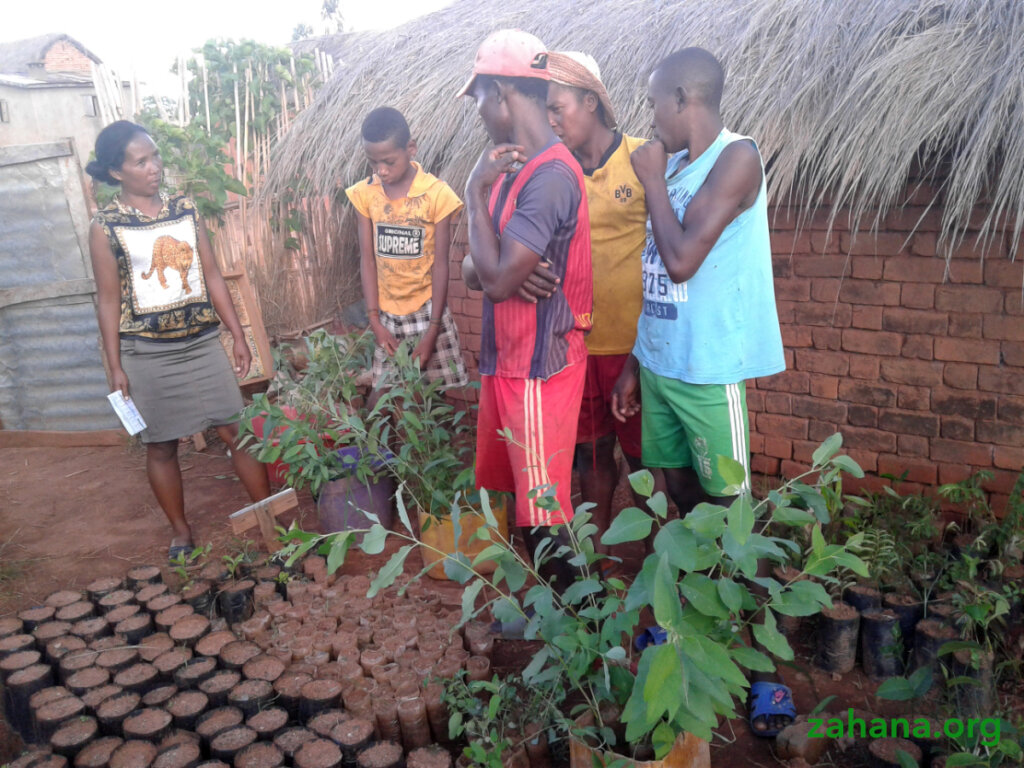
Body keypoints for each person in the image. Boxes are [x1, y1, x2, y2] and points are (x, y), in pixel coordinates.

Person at [609, 48, 790, 736]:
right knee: (677, 501)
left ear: (685, 96)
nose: (650, 120)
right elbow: (661, 274)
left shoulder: (735, 159)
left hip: (708, 373)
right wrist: (633, 360)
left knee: (732, 516)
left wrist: (652, 180)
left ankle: (766, 670)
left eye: (655, 103)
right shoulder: (680, 169)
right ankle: (691, 634)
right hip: (659, 365)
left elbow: (685, 255)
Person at [86, 120, 270, 560]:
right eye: (141, 161)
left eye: (155, 156)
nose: (154, 167)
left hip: (201, 342)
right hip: (146, 353)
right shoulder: (106, 226)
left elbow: (210, 275)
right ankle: (181, 531)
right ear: (117, 173)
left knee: (237, 429)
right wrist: (116, 366)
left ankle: (268, 515)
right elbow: (109, 301)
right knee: (162, 444)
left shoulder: (185, 210)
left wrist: (236, 334)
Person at [456, 29, 592, 590]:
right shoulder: (512, 171)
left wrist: (471, 198)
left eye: (481, 98)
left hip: (540, 368)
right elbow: (478, 271)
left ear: (504, 92)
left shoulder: (551, 176)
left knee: (545, 516)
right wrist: (494, 271)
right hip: (509, 362)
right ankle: (551, 619)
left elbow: (493, 275)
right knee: (523, 502)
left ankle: (588, 638)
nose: (481, 111)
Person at [543, 51, 651, 558]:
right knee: (590, 455)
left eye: (557, 106)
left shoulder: (643, 158)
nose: (550, 118)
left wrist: (644, 350)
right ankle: (598, 554)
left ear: (592, 101)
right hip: (576, 346)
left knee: (645, 460)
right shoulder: (554, 173)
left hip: (634, 348)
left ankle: (657, 556)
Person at [346, 107, 468, 395]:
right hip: (387, 316)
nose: (381, 170)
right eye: (373, 162)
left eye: (389, 161)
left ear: (410, 148)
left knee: (433, 403)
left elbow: (441, 265)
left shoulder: (436, 194)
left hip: (427, 313)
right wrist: (375, 321)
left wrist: (433, 330)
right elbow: (367, 260)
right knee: (392, 400)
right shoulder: (365, 194)